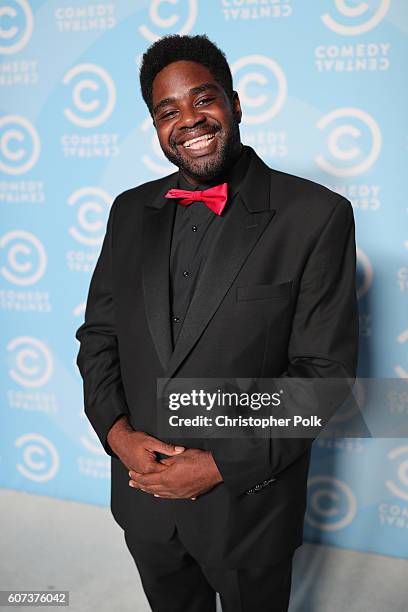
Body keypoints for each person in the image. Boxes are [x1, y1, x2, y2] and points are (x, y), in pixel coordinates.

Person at [75, 34, 359, 612]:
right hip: (144, 504)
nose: (189, 120)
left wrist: (220, 465)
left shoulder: (315, 215)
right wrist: (118, 435)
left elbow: (324, 376)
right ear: (155, 126)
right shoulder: (128, 212)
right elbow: (99, 340)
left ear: (233, 103)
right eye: (167, 111)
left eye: (203, 99)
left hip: (248, 512)